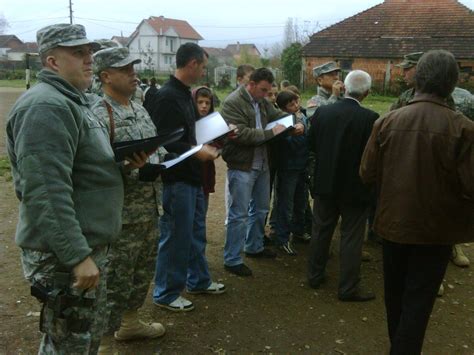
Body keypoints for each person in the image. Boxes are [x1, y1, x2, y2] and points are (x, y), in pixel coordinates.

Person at [6, 24, 124, 354]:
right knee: (67, 345)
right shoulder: (47, 107)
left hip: (83, 246)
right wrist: (76, 256)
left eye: (89, 52)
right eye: (78, 53)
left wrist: (125, 165)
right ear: (52, 61)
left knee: (82, 340)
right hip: (64, 257)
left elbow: (82, 170)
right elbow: (45, 191)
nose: (90, 60)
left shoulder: (72, 101)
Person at [360, 49, 474, 355]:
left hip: (393, 224)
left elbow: (366, 172)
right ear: (452, 82)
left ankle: (399, 347)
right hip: (436, 231)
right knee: (419, 301)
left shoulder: (387, 121)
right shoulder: (463, 128)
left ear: (418, 79)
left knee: (395, 296)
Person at [91, 47, 165, 342]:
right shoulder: (98, 112)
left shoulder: (138, 107)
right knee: (115, 279)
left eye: (133, 67)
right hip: (119, 216)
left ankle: (130, 322)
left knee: (141, 269)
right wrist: (122, 165)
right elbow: (92, 166)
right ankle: (105, 341)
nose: (134, 74)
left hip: (148, 206)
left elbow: (153, 145)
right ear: (106, 76)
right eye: (126, 70)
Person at [149, 43, 225, 312]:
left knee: (194, 233)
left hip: (193, 176)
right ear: (192, 64)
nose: (204, 71)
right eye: (203, 66)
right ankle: (165, 292)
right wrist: (197, 151)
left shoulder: (184, 94)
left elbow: (192, 132)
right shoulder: (167, 96)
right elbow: (164, 141)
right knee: (175, 236)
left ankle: (198, 280)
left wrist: (220, 133)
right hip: (177, 177)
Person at [391, 51, 471, 269]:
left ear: (421, 69)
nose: (403, 73)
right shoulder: (405, 97)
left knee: (443, 212)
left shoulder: (456, 98)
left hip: (444, 166)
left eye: (408, 68)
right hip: (413, 165)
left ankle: (451, 248)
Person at [221, 67, 305, 276]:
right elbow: (241, 134)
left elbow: (280, 115)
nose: (267, 95)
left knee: (260, 208)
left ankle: (254, 246)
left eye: (268, 91)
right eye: (263, 90)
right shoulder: (233, 102)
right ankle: (231, 259)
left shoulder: (262, 101)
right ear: (251, 85)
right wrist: (271, 132)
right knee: (238, 213)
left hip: (263, 163)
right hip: (242, 165)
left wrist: (295, 122)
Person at [307, 70, 378, 302]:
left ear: (344, 88)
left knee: (321, 230)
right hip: (356, 188)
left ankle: (314, 276)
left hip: (325, 183)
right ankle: (348, 288)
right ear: (366, 93)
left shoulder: (322, 113)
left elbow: (312, 146)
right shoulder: (370, 119)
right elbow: (373, 157)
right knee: (351, 236)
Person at [273, 90, 309, 255]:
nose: (295, 106)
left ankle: (299, 231)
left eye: (296, 102)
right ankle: (282, 238)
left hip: (302, 165)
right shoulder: (282, 122)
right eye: (291, 104)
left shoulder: (303, 116)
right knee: (285, 204)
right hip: (288, 167)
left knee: (301, 201)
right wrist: (292, 134)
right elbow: (283, 141)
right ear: (282, 108)